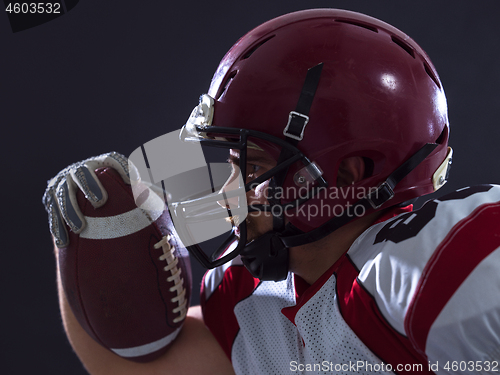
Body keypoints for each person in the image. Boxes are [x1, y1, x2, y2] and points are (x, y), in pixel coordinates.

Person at [43, 9, 500, 375]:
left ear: (347, 175)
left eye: (253, 166)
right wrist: (80, 238)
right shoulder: (250, 292)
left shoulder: (442, 267)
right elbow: (142, 365)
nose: (226, 192)